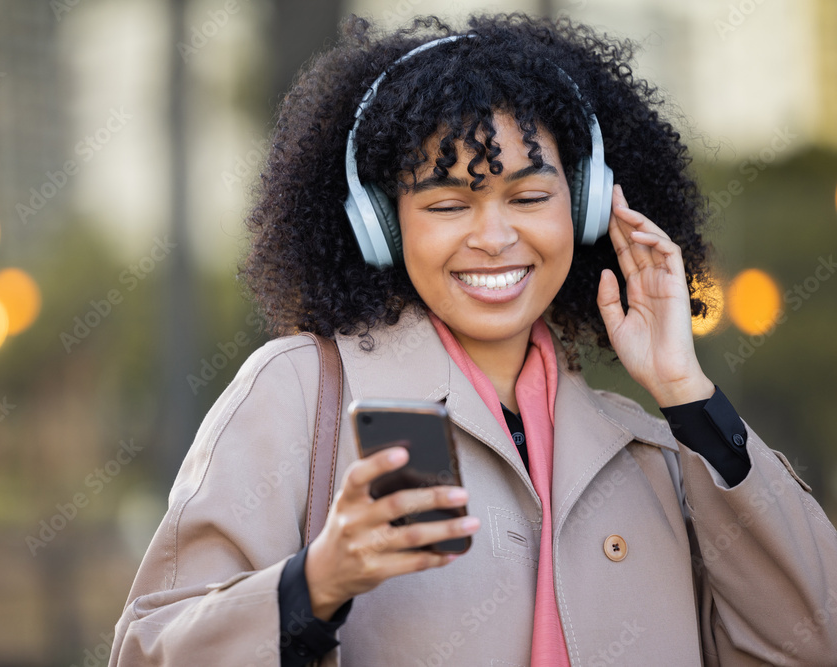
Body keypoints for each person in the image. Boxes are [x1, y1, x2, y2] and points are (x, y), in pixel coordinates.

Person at [109, 12, 837, 666]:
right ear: (383, 226)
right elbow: (147, 651)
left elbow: (812, 640)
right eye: (449, 202)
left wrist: (688, 394)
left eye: (529, 196)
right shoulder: (296, 392)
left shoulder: (657, 453)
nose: (495, 237)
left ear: (582, 208)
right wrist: (316, 581)